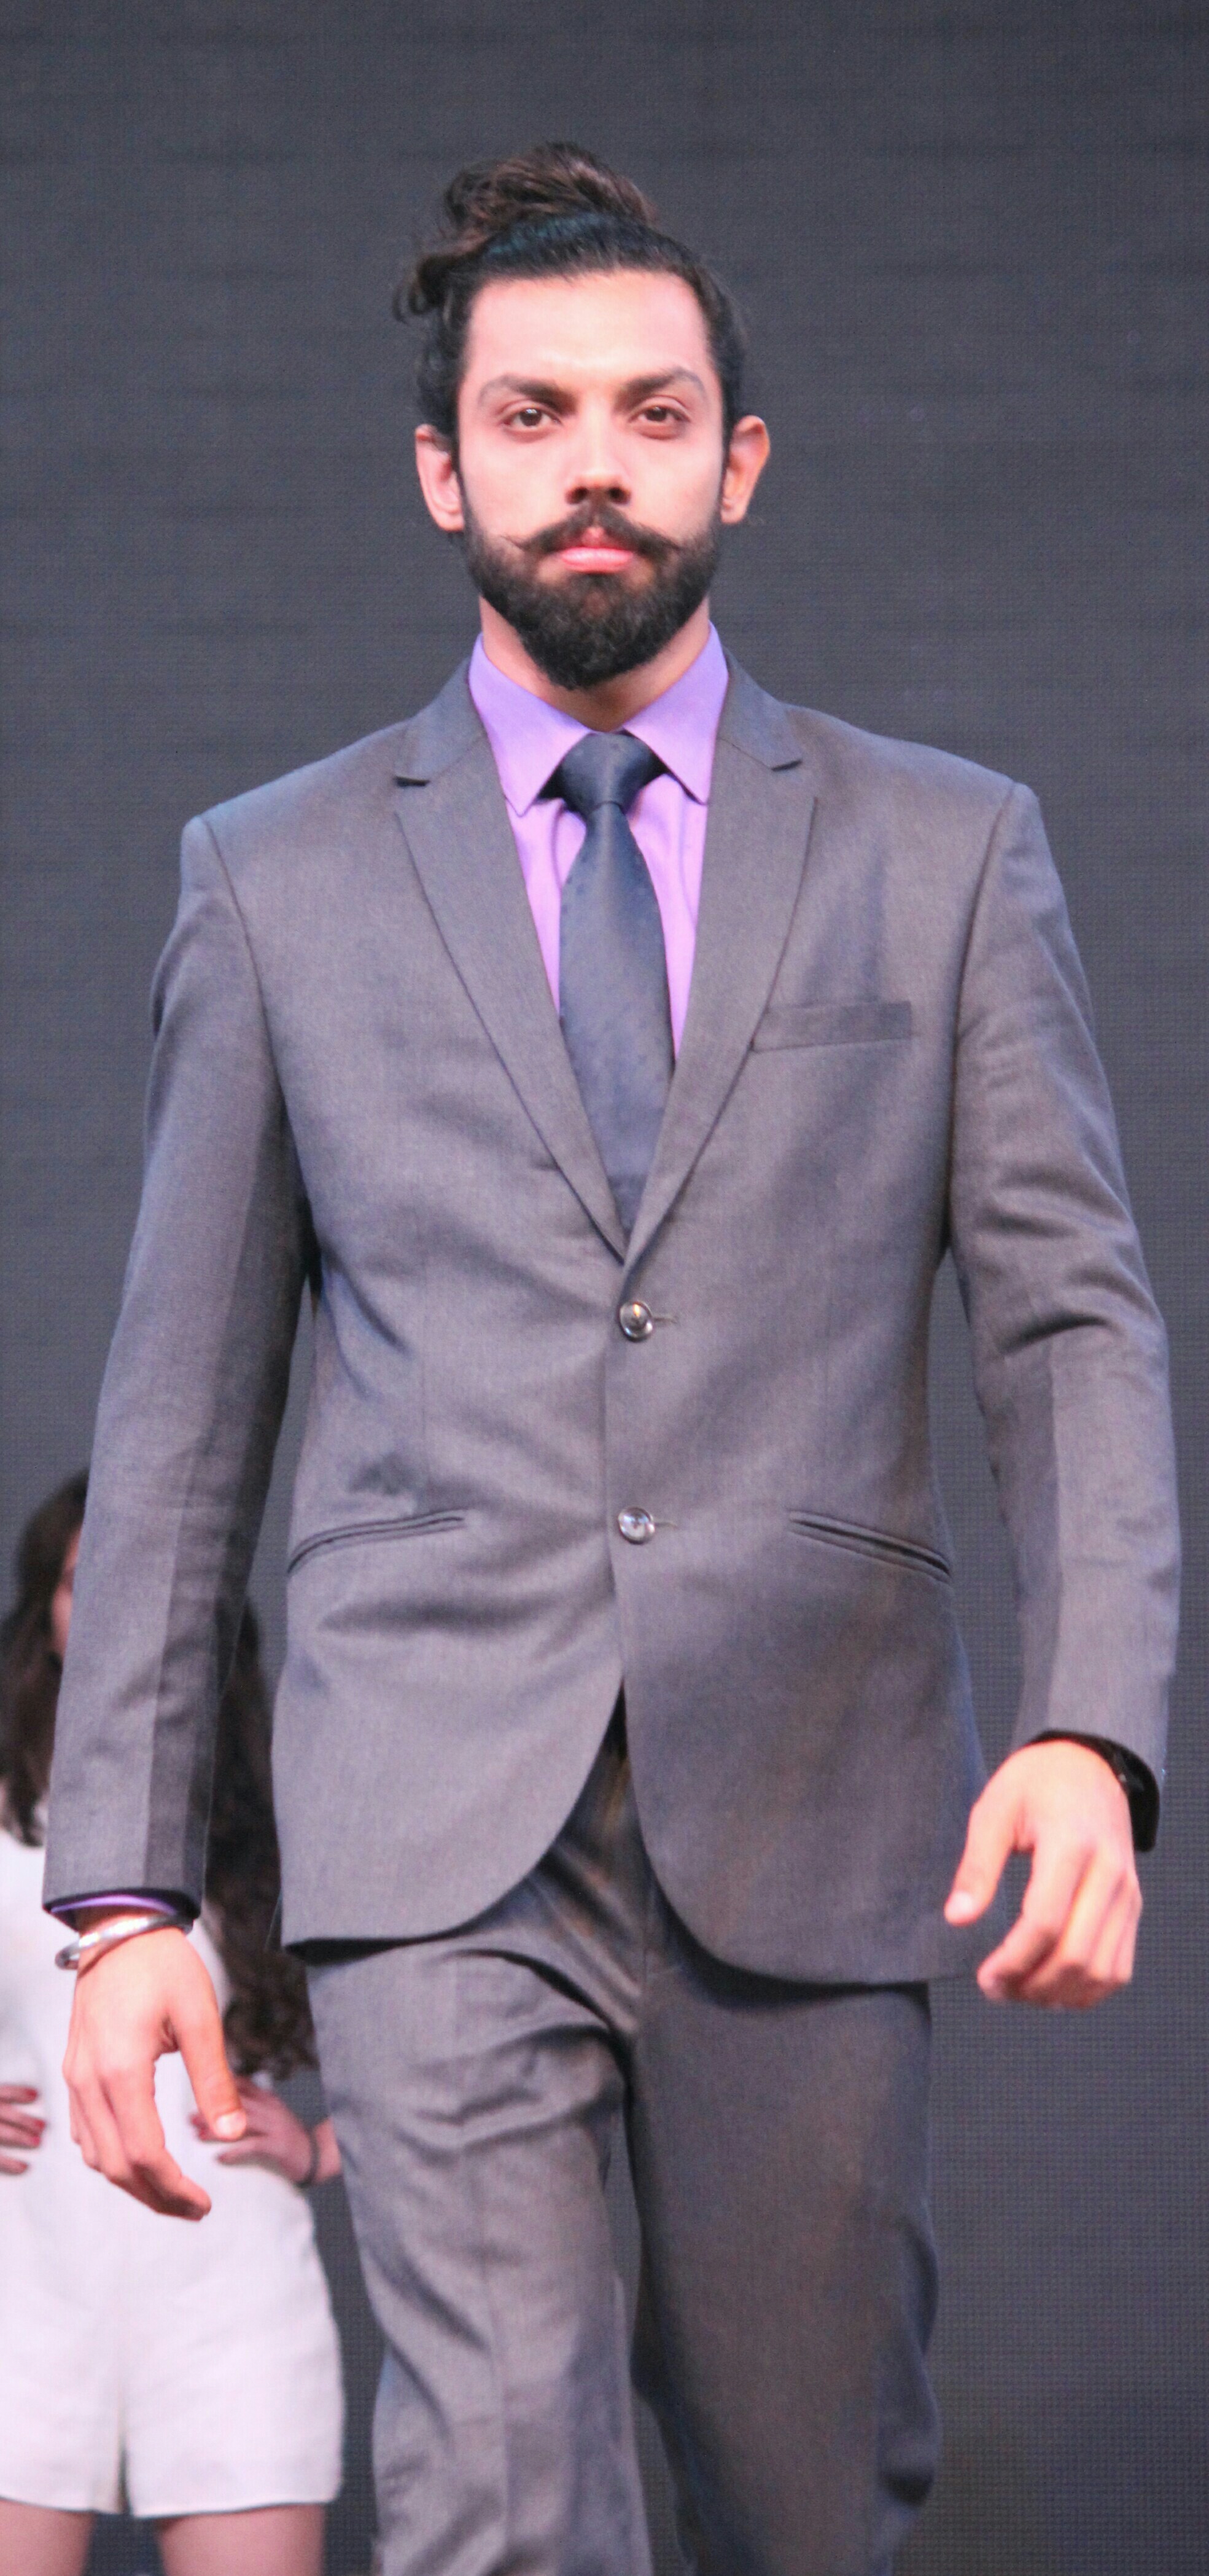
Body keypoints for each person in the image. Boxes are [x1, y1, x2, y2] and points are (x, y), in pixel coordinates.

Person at [42, 144, 1178, 2576]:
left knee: (806, 2499)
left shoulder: (946, 853)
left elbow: (1071, 1318)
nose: (594, 465)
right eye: (533, 414)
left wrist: (1095, 1724)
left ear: (736, 463)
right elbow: (180, 1414)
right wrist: (126, 1899)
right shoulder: (275, 879)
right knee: (497, 2493)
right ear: (441, 469)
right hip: (434, 1810)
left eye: (652, 415)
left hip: (818, 1790)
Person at [1, 1473, 343, 2576]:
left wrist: (323, 2147)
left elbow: (444, 2019)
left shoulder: (280, 1814)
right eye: (81, 1580)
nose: (113, 1609)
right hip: (21, 2288)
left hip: (231, 2298)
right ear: (46, 1612)